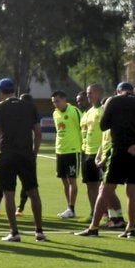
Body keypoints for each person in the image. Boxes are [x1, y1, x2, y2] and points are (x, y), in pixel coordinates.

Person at [75, 82, 135, 239]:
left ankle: (93, 227)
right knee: (132, 192)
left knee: (105, 190)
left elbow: (104, 125)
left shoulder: (113, 101)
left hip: (119, 151)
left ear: (119, 91)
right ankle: (130, 228)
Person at [0, 78, 46, 242]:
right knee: (33, 192)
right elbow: (37, 132)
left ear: (0, 92)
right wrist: (34, 152)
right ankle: (39, 231)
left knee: (9, 194)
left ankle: (14, 232)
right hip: (26, 154)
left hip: (7, 154)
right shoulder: (29, 106)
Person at [51, 90, 82, 219]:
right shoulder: (55, 114)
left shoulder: (74, 111)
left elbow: (82, 129)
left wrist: (83, 147)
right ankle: (68, 207)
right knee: (64, 181)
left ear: (64, 100)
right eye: (53, 102)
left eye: (57, 101)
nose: (56, 104)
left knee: (72, 181)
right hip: (60, 151)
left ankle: (72, 208)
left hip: (72, 150)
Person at [80, 84, 104, 220]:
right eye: (87, 93)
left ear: (99, 93)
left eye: (91, 93)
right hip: (87, 152)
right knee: (90, 185)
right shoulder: (88, 113)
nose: (88, 95)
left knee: (103, 187)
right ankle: (93, 212)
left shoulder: (103, 110)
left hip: (99, 153)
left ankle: (107, 214)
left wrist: (102, 152)